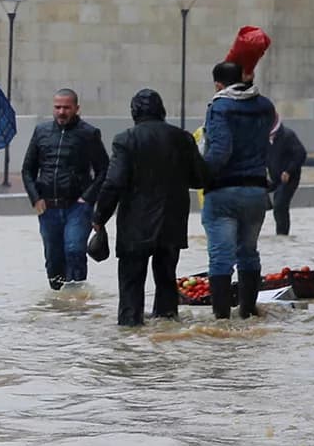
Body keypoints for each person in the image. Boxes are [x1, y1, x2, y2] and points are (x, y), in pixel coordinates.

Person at [93, 89, 209, 326]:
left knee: (131, 287)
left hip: (135, 228)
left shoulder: (125, 140)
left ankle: (131, 338)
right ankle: (166, 333)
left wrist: (99, 216)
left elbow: (114, 183)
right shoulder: (183, 138)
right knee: (167, 282)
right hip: (172, 224)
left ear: (134, 112)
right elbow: (201, 179)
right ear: (162, 111)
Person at [201, 60, 278, 319]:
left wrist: (202, 174)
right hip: (256, 191)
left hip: (223, 191)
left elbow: (220, 150)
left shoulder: (219, 107)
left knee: (221, 257)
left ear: (218, 85)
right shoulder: (266, 106)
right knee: (248, 252)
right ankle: (247, 311)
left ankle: (221, 320)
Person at [19, 88, 110, 290]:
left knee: (74, 250)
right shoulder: (41, 131)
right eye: (57, 107)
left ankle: (76, 297)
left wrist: (88, 198)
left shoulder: (89, 134)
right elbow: (27, 170)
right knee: (53, 257)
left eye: (66, 108)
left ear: (76, 108)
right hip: (47, 206)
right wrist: (35, 198)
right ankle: (58, 300)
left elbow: (104, 169)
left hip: (77, 206)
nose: (61, 112)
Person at [267, 121, 308, 236]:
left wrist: (288, 171)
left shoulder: (287, 135)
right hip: (274, 177)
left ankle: (282, 234)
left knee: (280, 205)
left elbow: (301, 154)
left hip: (289, 178)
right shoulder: (262, 137)